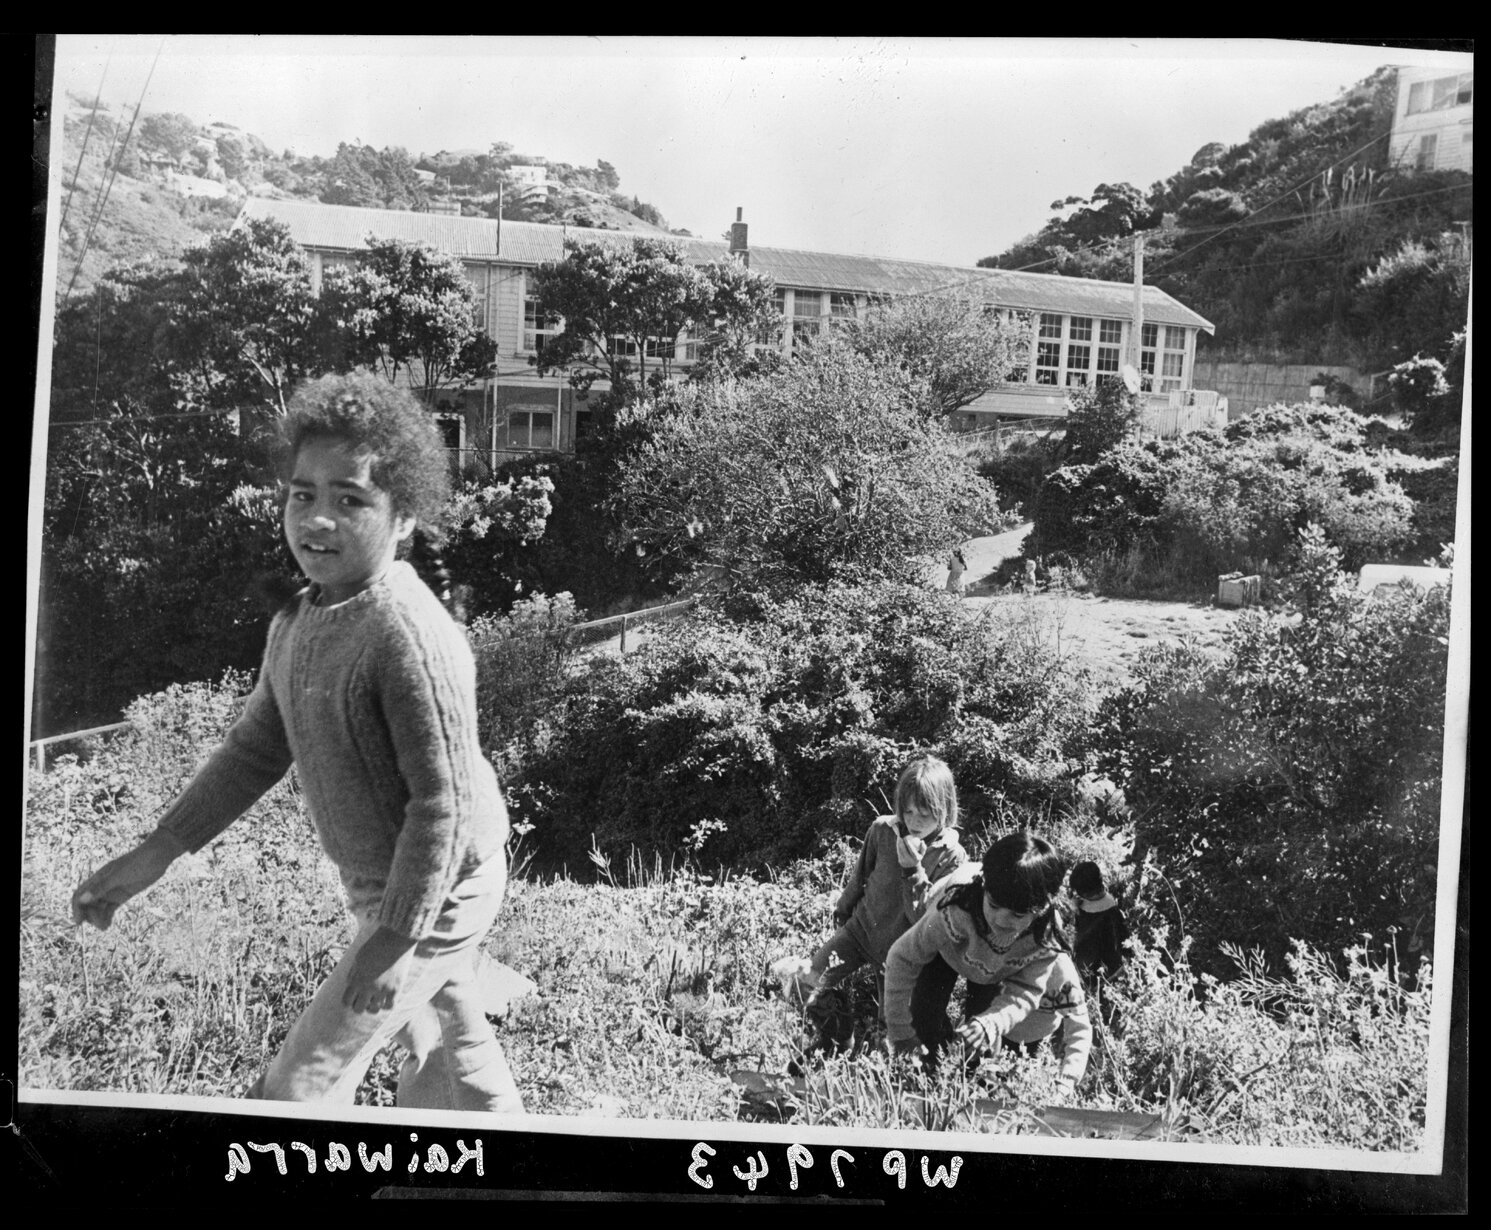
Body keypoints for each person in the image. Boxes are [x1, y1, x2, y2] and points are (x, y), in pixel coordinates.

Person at [71, 372, 524, 1113]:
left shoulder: (407, 635)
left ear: (403, 515)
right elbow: (255, 749)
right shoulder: (299, 617)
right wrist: (155, 852)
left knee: (299, 1090)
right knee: (447, 1046)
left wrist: (395, 939)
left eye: (350, 499)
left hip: (440, 889)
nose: (317, 520)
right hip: (386, 886)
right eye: (302, 494)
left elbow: (441, 807)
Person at [791, 756, 967, 1051]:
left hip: (900, 953)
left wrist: (913, 869)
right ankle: (838, 1034)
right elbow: (860, 879)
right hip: (860, 932)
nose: (915, 821)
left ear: (944, 808)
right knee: (803, 984)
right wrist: (843, 914)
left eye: (925, 813)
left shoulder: (951, 855)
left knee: (889, 1039)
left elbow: (925, 916)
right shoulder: (883, 830)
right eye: (908, 811)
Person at [883, 831, 1069, 1069]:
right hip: (946, 949)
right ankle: (926, 1074)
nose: (1001, 920)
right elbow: (901, 959)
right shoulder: (953, 911)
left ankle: (968, 1082)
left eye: (1018, 914)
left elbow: (1026, 990)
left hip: (995, 969)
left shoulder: (1044, 935)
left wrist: (990, 1023)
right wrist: (901, 1034)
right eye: (993, 905)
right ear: (984, 889)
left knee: (980, 1047)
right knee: (924, 1022)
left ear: (1040, 910)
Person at [1000, 951, 1092, 1099]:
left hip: (1038, 1044)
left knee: (1032, 1099)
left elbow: (1080, 1029)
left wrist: (1067, 1081)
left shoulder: (1061, 970)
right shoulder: (1006, 954)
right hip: (998, 1038)